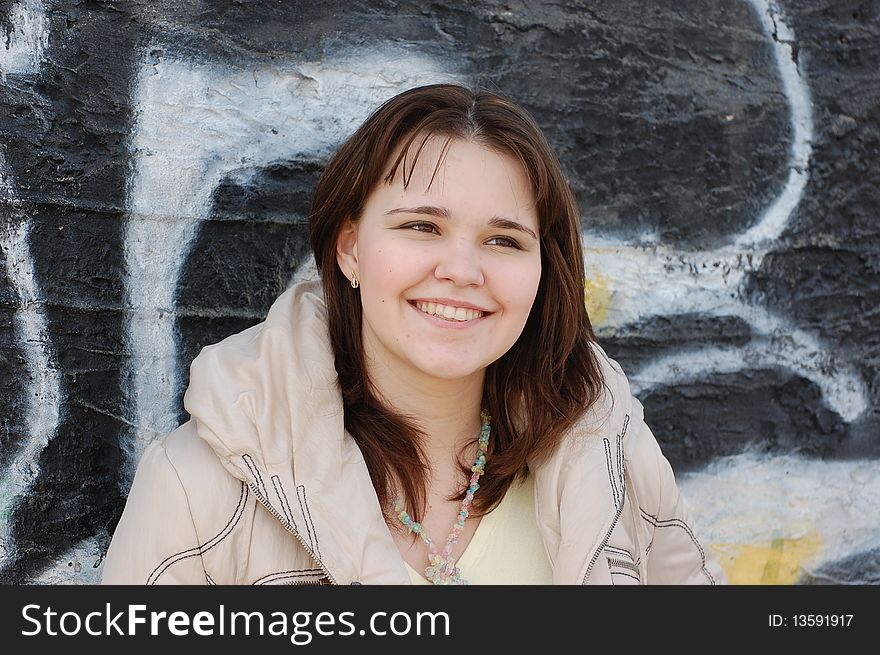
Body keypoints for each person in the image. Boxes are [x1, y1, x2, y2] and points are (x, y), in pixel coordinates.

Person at [102, 84, 725, 585]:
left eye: (503, 240)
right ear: (350, 248)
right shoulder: (197, 487)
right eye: (423, 227)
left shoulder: (609, 452)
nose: (461, 271)